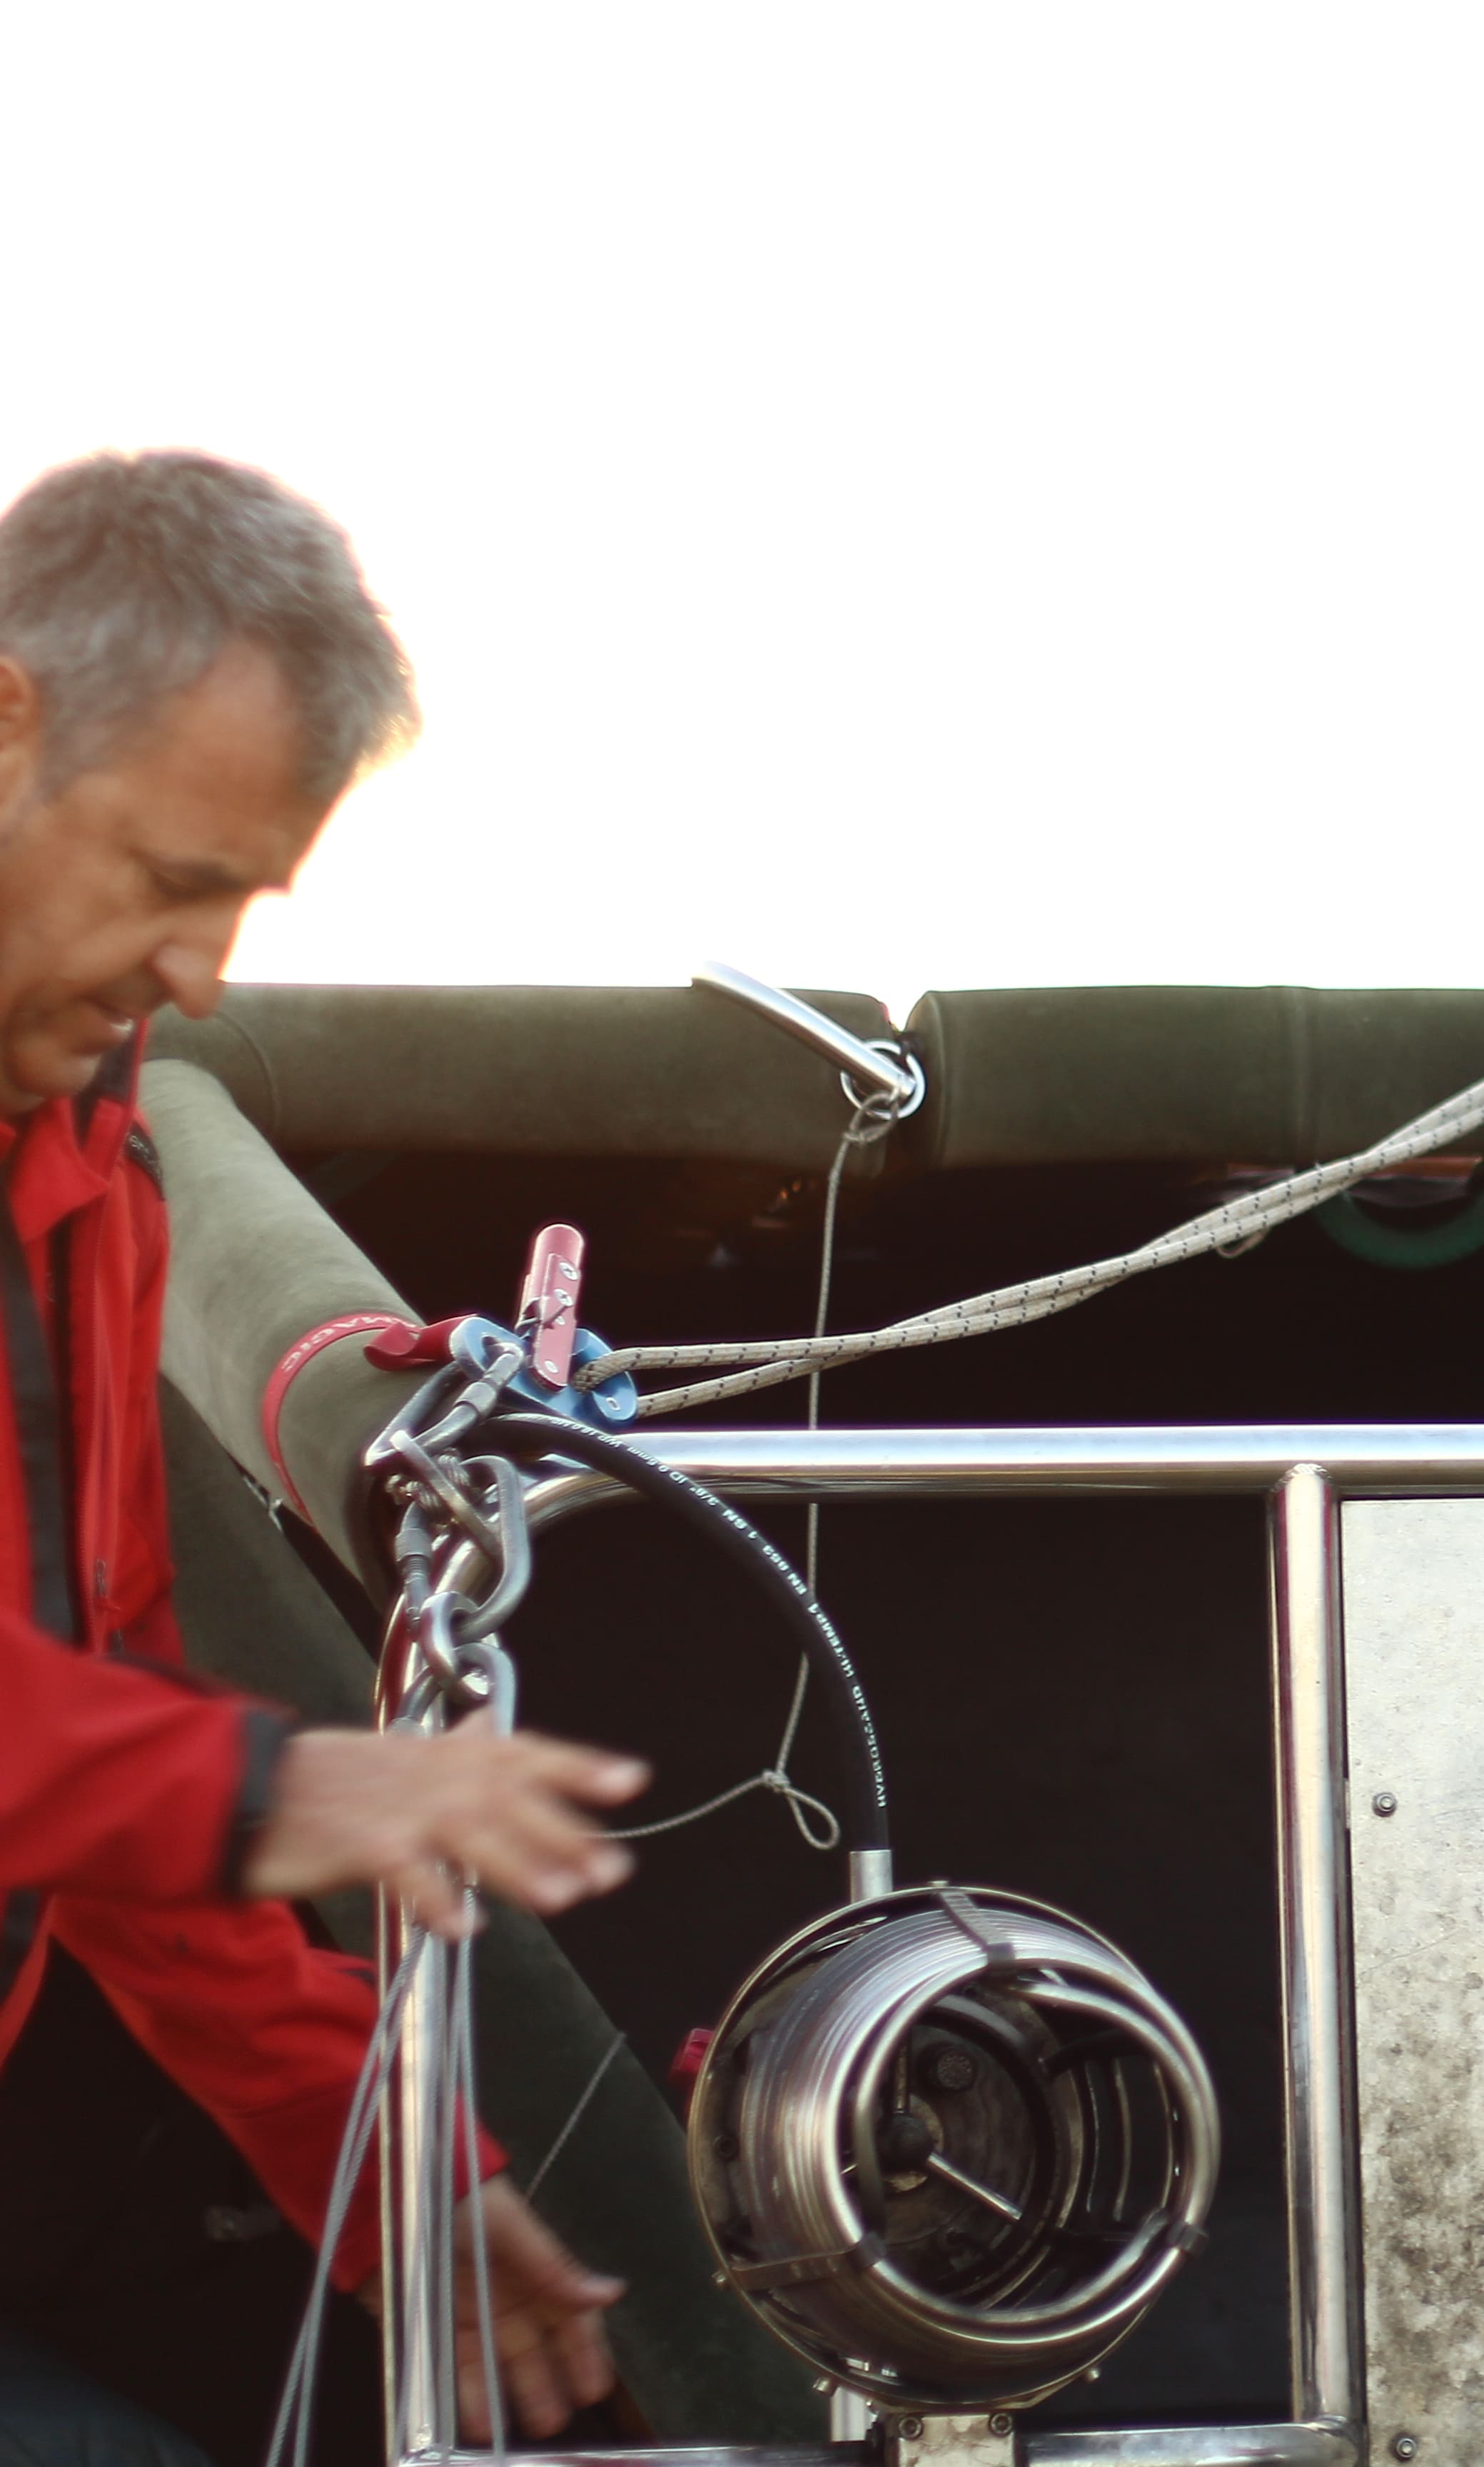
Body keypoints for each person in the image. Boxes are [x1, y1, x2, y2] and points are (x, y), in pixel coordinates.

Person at [0, 450, 657, 2452]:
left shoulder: (84, 1168)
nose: (201, 977)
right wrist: (277, 1780)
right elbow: (165, 1782)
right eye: (172, 883)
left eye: (242, 904)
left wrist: (392, 2178)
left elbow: (108, 1780)